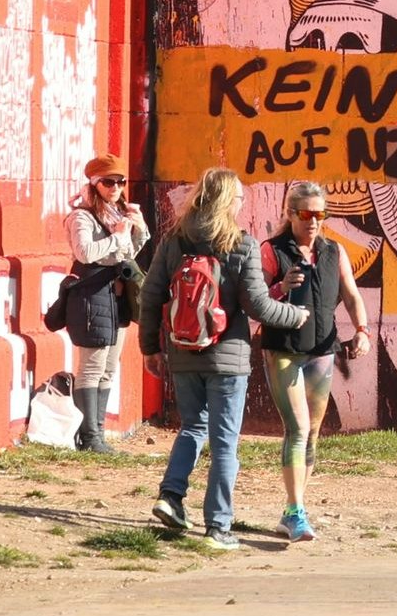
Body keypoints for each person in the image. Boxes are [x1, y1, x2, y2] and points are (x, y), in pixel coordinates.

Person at [139, 169, 309, 552]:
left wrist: (150, 348)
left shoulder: (174, 240)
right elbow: (258, 305)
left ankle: (171, 497)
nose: (241, 204)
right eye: (239, 199)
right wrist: (295, 316)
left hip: (183, 350)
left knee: (192, 427)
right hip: (228, 358)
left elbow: (150, 296)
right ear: (228, 202)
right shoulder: (240, 244)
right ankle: (218, 526)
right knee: (225, 442)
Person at [258, 183, 363, 544]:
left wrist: (362, 330)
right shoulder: (272, 251)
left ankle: (295, 508)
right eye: (306, 214)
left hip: (321, 350)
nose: (314, 221)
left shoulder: (334, 251)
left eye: (320, 214)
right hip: (283, 349)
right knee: (298, 428)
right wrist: (280, 288)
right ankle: (294, 510)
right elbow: (255, 300)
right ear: (290, 214)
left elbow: (351, 294)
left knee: (313, 432)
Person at [62, 154, 145, 452]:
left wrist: (138, 229)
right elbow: (84, 252)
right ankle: (89, 438)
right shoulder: (82, 216)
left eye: (121, 182)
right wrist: (118, 237)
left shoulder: (117, 213)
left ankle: (98, 433)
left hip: (116, 296)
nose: (116, 188)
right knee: (92, 366)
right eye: (108, 182)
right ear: (94, 184)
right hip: (92, 293)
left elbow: (128, 254)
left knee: (109, 367)